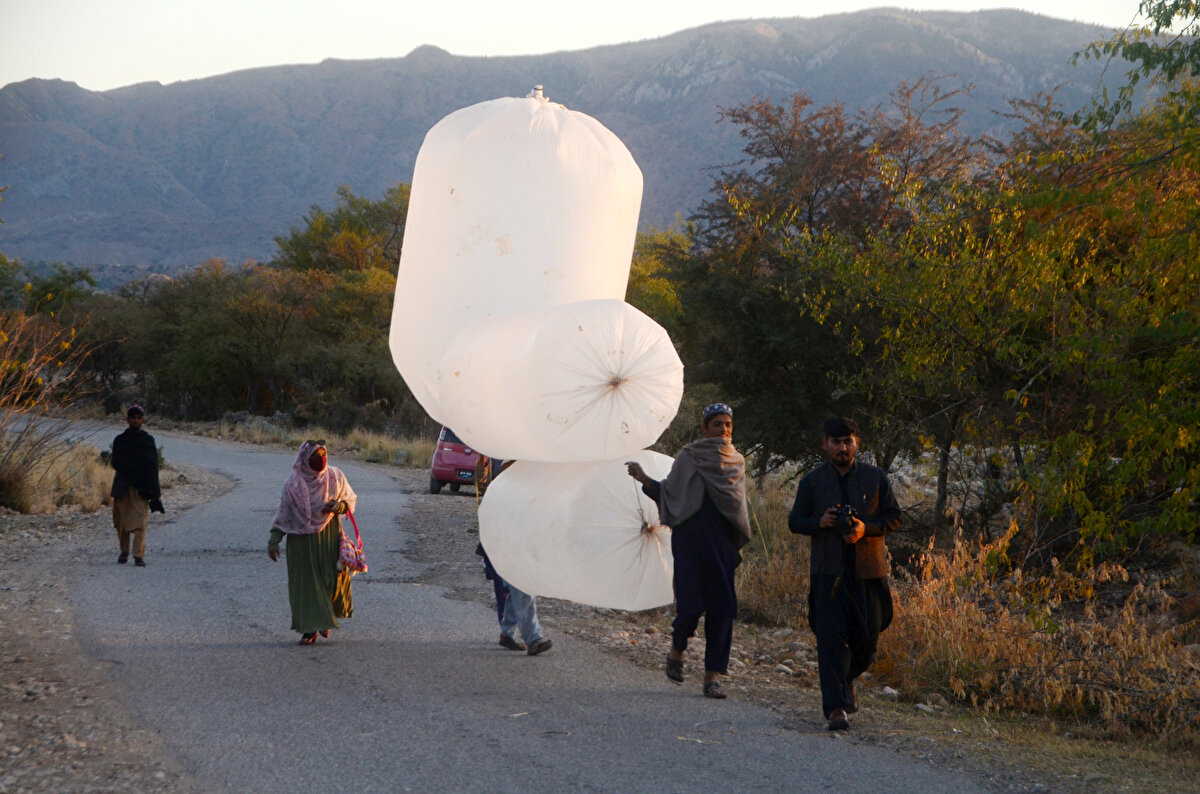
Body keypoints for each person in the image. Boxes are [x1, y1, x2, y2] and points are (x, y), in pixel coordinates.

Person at [626, 402, 751, 699]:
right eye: (717, 424)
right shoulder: (689, 456)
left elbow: (737, 507)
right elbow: (669, 493)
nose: (723, 430)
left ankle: (712, 677)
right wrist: (644, 479)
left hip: (722, 546)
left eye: (728, 425)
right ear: (705, 428)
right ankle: (677, 648)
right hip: (689, 543)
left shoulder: (736, 461)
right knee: (690, 606)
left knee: (722, 610)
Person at [788, 417, 902, 731]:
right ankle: (836, 708)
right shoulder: (813, 481)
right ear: (824, 445)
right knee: (830, 641)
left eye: (847, 441)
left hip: (868, 572)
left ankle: (846, 679)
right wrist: (820, 523)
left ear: (857, 443)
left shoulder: (875, 477)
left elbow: (895, 518)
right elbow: (795, 521)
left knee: (868, 641)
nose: (842, 447)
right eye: (836, 442)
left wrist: (867, 529)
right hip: (828, 572)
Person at [267, 440, 357, 645]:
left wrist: (339, 507)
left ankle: (325, 618)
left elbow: (349, 500)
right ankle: (310, 630)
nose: (321, 460)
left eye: (323, 455)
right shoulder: (293, 485)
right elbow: (284, 513)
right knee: (307, 587)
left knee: (333, 580)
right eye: (316, 456)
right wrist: (274, 541)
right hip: (301, 543)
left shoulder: (335, 477)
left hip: (329, 536)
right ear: (305, 459)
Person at [479, 458, 553, 656]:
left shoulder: (525, 490)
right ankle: (534, 638)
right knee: (524, 591)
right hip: (507, 550)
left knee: (520, 591)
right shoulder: (501, 491)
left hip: (521, 549)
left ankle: (507, 633)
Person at [110, 404, 163, 567]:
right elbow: (116, 462)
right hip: (123, 486)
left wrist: (155, 492)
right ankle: (124, 551)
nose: (136, 421)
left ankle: (138, 555)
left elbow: (152, 466)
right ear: (127, 420)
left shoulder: (147, 441)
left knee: (140, 522)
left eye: (139, 418)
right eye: (133, 418)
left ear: (143, 421)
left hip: (141, 487)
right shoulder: (120, 440)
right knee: (121, 522)